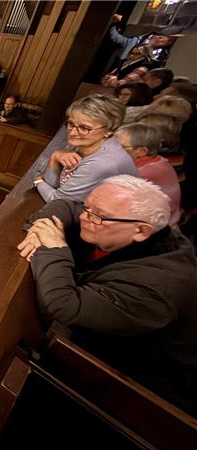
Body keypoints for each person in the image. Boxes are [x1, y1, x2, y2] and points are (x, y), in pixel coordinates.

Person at [17, 175, 197, 415]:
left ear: (142, 231)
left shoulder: (157, 286)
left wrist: (54, 248)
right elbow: (69, 206)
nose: (84, 217)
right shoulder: (132, 227)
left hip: (133, 387)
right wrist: (40, 228)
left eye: (97, 216)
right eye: (89, 207)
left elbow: (63, 307)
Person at [34, 95, 139, 203]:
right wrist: (55, 156)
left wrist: (38, 182)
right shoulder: (91, 142)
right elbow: (54, 185)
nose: (72, 132)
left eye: (84, 128)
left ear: (110, 130)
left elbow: (58, 201)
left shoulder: (102, 162)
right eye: (71, 124)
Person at [114, 123, 181, 228]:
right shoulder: (160, 161)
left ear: (142, 151)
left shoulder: (139, 174)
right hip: (168, 226)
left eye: (119, 146)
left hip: (154, 234)